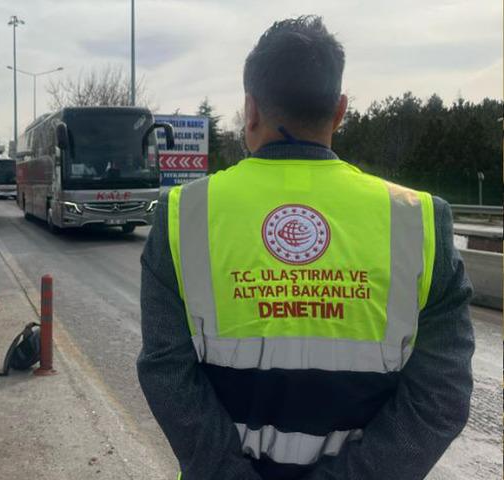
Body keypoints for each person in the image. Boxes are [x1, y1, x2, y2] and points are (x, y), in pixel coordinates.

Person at [137, 15, 474, 480]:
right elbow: (441, 398)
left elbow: (165, 371)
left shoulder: (182, 215)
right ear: (339, 110)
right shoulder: (419, 220)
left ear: (250, 110)